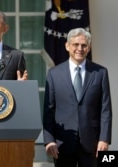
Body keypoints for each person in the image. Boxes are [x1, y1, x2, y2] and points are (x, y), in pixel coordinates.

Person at [43, 28, 112, 167]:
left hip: (92, 144)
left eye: (84, 45)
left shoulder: (100, 72)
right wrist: (49, 140)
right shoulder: (54, 74)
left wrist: (104, 139)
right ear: (67, 46)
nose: (79, 48)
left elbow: (105, 109)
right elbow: (48, 110)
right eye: (75, 44)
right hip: (62, 143)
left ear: (89, 48)